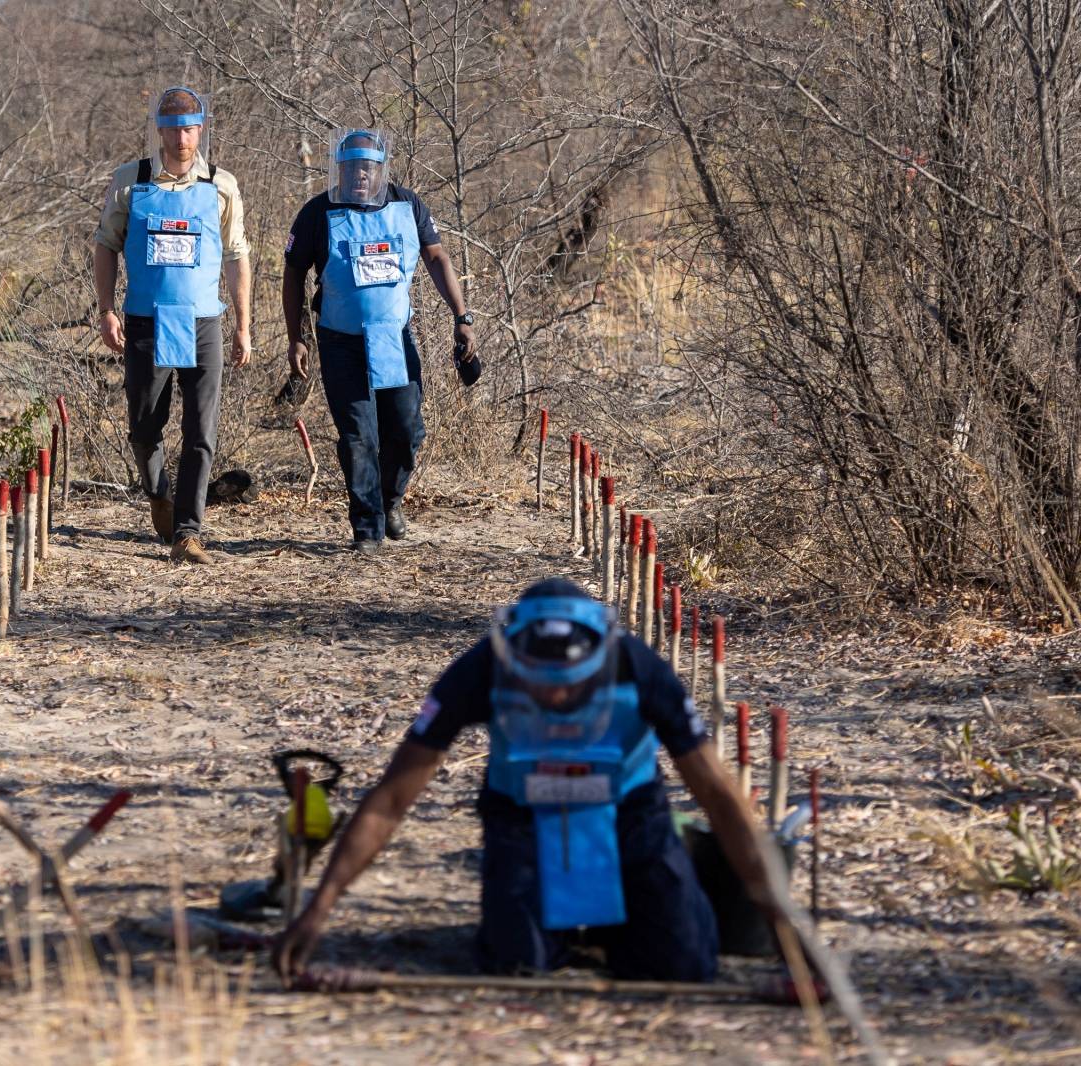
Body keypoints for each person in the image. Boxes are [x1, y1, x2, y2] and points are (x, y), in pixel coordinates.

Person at [273, 578, 795, 984]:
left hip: (630, 814)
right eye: (540, 689)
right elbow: (391, 799)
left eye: (571, 689)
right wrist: (320, 908)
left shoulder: (640, 667)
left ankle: (666, 875)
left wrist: (780, 924)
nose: (556, 701)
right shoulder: (477, 670)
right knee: (517, 963)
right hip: (521, 817)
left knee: (684, 965)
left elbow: (719, 796)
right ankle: (551, 918)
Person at [282, 128, 476, 555]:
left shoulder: (408, 205)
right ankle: (366, 527)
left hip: (394, 338)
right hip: (341, 341)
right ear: (340, 169)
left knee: (407, 430)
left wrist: (461, 316)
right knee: (358, 436)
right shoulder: (318, 212)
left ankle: (390, 502)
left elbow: (437, 256)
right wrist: (296, 337)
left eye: (368, 168)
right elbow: (293, 272)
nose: (360, 176)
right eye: (351, 167)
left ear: (381, 168)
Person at [93, 87, 252, 565]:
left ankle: (189, 532)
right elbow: (105, 244)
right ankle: (159, 493)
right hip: (146, 320)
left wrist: (243, 323)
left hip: (204, 320)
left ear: (201, 129)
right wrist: (106, 308)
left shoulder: (220, 184)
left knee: (201, 430)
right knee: (144, 426)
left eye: (189, 128)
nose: (181, 138)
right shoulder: (132, 180)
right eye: (172, 128)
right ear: (158, 130)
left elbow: (237, 254)